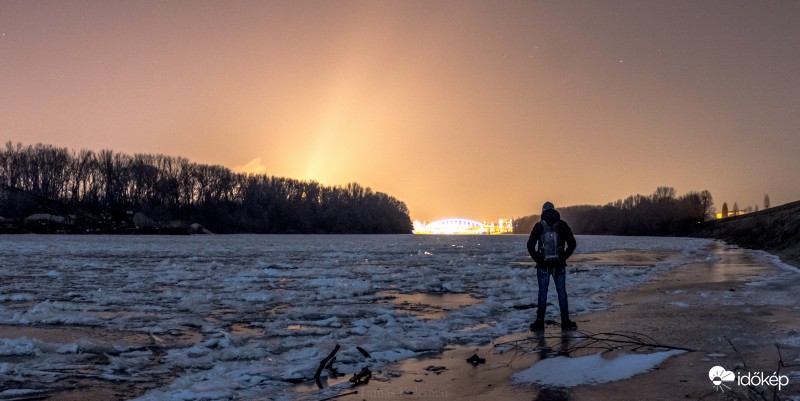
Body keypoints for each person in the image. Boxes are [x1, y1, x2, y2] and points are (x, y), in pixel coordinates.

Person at [527, 201, 578, 330]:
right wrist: (563, 257)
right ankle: (565, 320)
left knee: (543, 292)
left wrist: (538, 259)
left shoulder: (539, 226)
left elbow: (530, 245)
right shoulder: (562, 225)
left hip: (543, 266)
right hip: (559, 265)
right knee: (561, 292)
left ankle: (539, 322)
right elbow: (572, 244)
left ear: (542, 211)